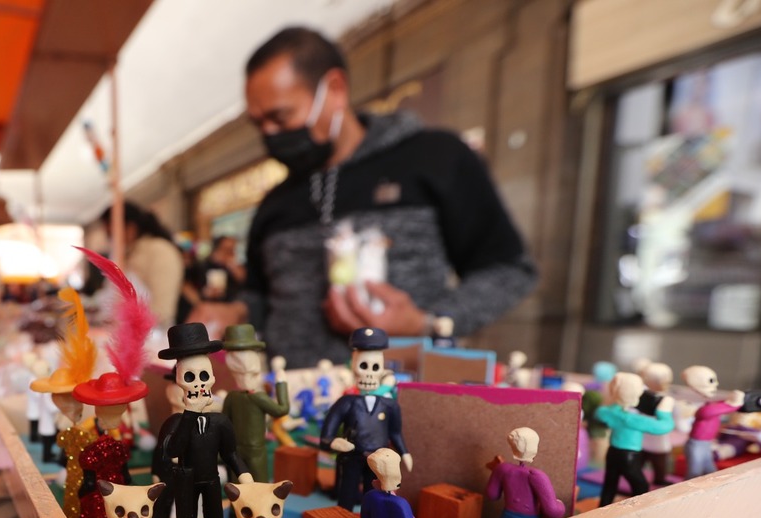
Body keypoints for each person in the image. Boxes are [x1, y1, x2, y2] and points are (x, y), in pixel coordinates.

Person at [197, 27, 536, 367]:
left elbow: (508, 269)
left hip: (396, 397)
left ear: (335, 89)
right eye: (258, 124)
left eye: (280, 116)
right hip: (291, 398)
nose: (269, 134)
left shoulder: (434, 158)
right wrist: (234, 312)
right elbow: (259, 297)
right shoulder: (274, 203)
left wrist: (426, 323)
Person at [99, 201, 184, 328]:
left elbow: (162, 310)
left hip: (154, 337)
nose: (111, 239)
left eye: (112, 234)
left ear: (131, 228)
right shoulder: (128, 253)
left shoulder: (160, 251)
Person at [181, 235, 245, 322]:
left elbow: (244, 283)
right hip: (205, 312)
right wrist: (199, 301)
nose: (230, 254)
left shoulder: (232, 269)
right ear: (217, 249)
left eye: (232, 250)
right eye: (226, 250)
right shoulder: (201, 266)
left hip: (227, 312)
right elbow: (185, 285)